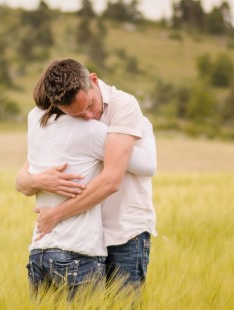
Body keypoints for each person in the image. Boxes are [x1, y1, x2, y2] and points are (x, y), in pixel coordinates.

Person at [16, 59, 157, 295]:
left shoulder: (123, 106)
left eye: (90, 105)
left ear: (93, 80)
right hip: (87, 238)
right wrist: (37, 180)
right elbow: (25, 174)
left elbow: (123, 175)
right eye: (78, 114)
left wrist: (55, 215)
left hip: (123, 231)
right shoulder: (69, 119)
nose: (89, 116)